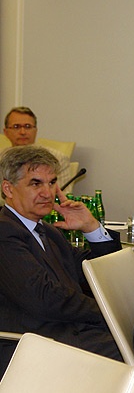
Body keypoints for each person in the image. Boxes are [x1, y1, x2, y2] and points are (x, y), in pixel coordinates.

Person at [0, 146, 122, 372]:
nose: (48, 193)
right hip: (33, 347)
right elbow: (44, 297)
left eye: (52, 183)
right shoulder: (5, 232)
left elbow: (96, 275)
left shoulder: (48, 231)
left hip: (69, 333)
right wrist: (108, 311)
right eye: (36, 184)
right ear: (8, 188)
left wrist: (91, 227)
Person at [3, 106, 74, 193]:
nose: (22, 132)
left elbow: (63, 195)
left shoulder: (58, 158)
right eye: (16, 126)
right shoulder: (2, 158)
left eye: (28, 126)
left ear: (36, 130)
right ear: (6, 132)